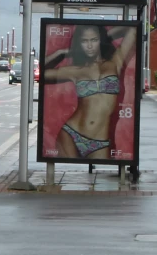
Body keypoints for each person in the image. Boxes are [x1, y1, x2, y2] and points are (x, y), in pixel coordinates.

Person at [43, 25, 137, 159]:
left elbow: (132, 30)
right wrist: (62, 53)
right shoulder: (76, 71)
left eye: (94, 40)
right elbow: (43, 73)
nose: (89, 46)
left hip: (100, 140)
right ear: (79, 43)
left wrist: (106, 37)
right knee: (68, 178)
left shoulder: (115, 62)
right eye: (84, 41)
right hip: (70, 133)